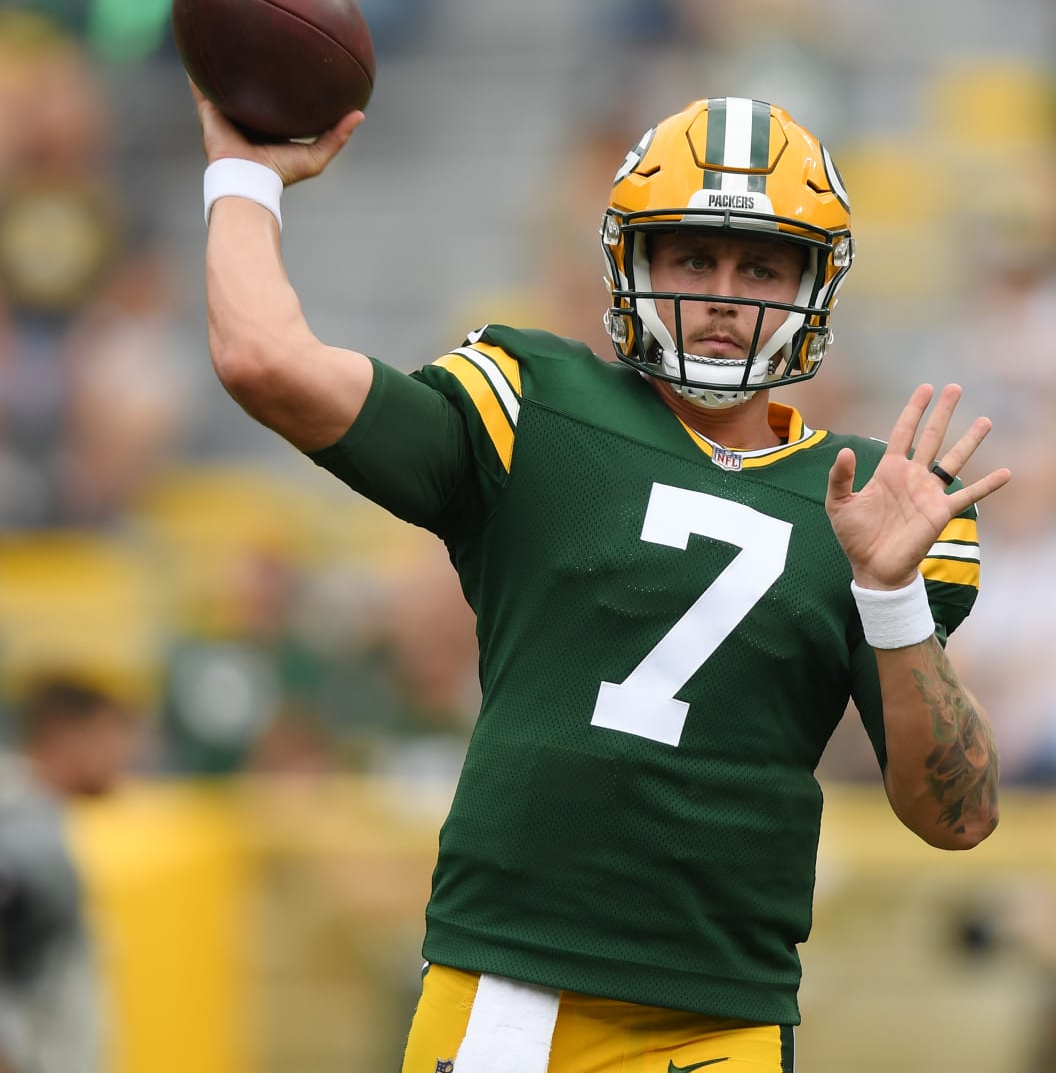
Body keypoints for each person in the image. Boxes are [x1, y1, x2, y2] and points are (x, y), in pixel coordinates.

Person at [190, 87, 1010, 1072]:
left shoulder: (874, 499)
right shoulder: (534, 402)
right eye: (694, 256)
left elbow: (957, 816)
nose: (723, 292)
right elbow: (261, 360)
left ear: (815, 285)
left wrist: (890, 596)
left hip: (718, 1019)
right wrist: (243, 177)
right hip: (506, 990)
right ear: (635, 261)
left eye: (761, 263)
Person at [0, 673, 141, 1073]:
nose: (128, 753)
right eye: (114, 736)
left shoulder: (38, 819)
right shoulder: (28, 829)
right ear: (68, 738)